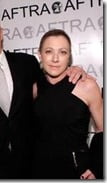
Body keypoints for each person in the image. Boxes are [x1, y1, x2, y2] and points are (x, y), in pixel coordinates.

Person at [0, 14, 87, 178]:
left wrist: (73, 70)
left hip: (33, 165)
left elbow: (53, 84)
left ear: (1, 34)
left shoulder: (27, 63)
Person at [31, 29, 103, 179]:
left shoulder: (87, 85)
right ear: (40, 54)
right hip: (39, 170)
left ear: (69, 56)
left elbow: (102, 129)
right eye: (49, 51)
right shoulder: (35, 87)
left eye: (62, 52)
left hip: (77, 170)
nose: (55, 59)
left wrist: (97, 165)